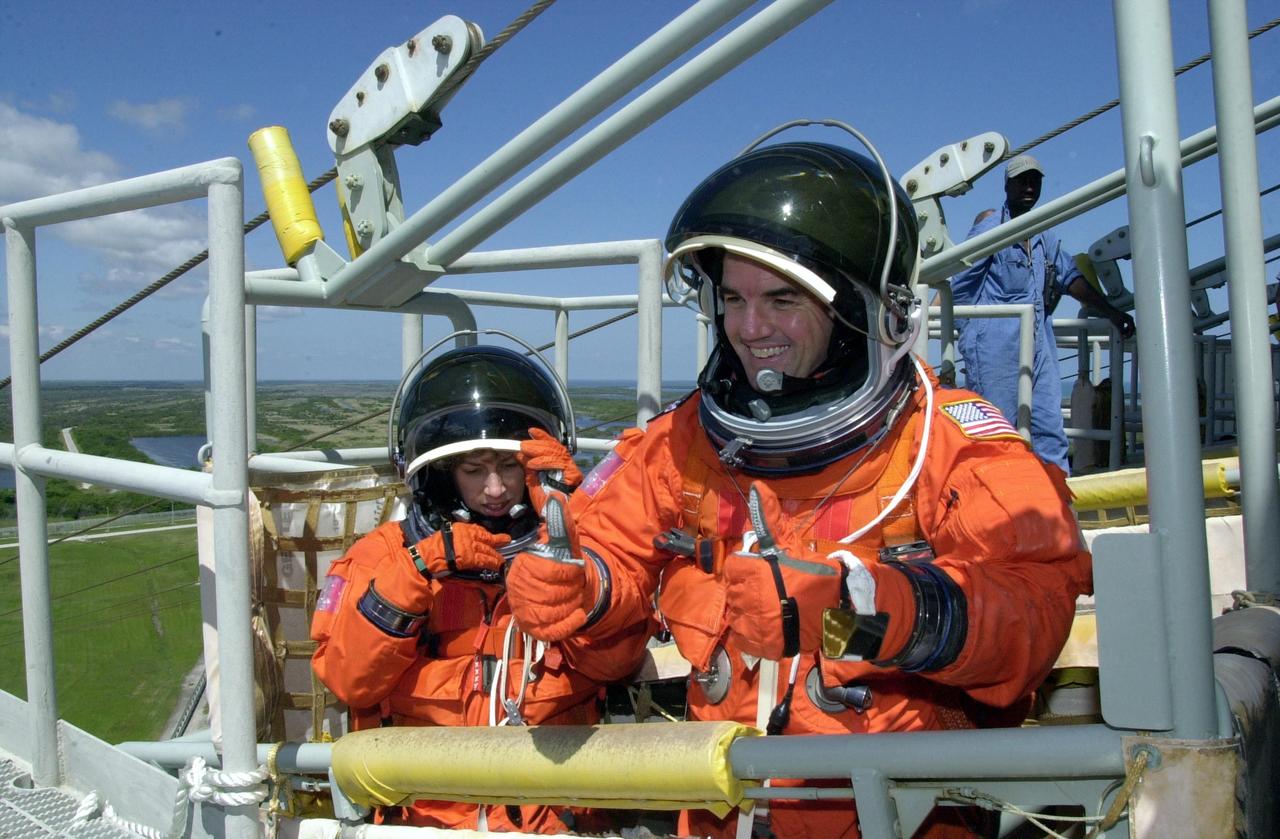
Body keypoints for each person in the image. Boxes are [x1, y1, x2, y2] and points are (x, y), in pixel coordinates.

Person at [503, 138, 1093, 838]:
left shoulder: (943, 441)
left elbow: (1033, 610)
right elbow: (613, 577)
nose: (752, 329)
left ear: (865, 309)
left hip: (897, 817)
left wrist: (867, 612)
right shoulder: (684, 443)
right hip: (722, 812)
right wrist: (589, 593)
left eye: (783, 299)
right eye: (733, 298)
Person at [311, 336, 646, 833]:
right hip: (424, 818)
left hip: (553, 814)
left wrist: (571, 535)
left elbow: (616, 662)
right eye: (473, 471)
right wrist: (418, 571)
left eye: (510, 466)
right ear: (443, 476)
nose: (495, 489)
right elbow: (350, 681)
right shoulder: (383, 558)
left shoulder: (574, 546)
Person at [950, 154, 1136, 474]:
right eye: (1022, 180)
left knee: (1050, 429)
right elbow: (960, 287)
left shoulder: (1044, 236)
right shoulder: (991, 227)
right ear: (1007, 186)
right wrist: (967, 333)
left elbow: (1070, 279)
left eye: (1035, 181)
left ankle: (1057, 502)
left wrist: (1112, 313)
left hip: (1039, 344)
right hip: (996, 347)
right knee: (999, 430)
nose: (1029, 187)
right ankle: (998, 505)